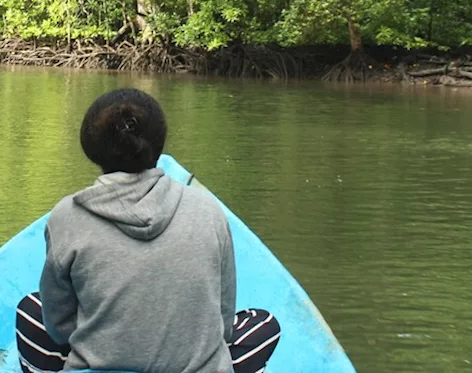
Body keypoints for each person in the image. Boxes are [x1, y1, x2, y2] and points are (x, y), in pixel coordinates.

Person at [14, 88, 281, 373]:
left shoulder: (66, 216)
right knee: (262, 323)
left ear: (90, 148)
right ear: (158, 143)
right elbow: (223, 320)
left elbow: (59, 326)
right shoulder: (208, 209)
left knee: (31, 308)